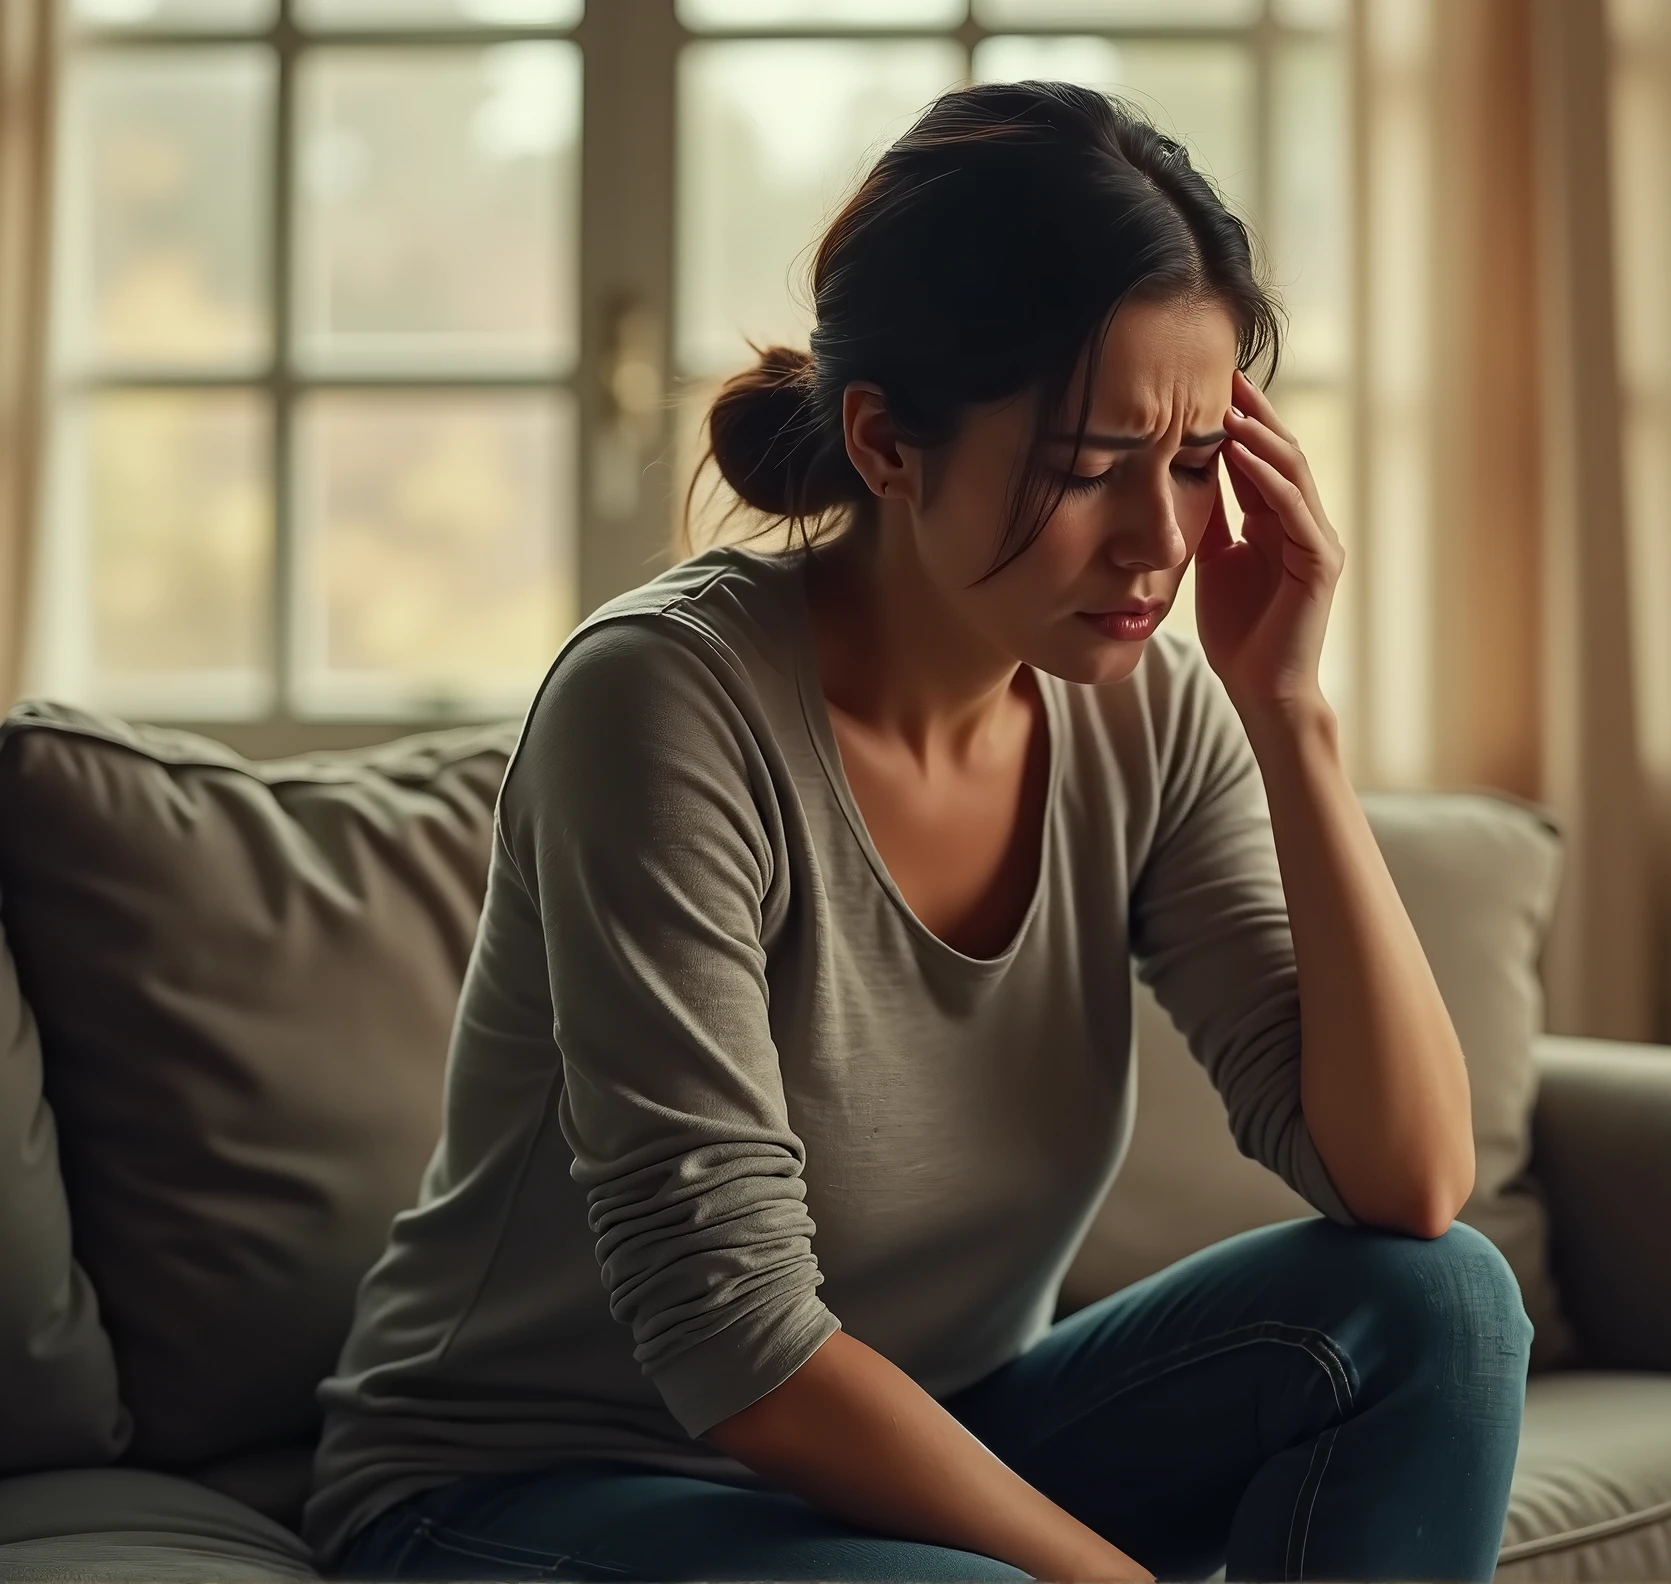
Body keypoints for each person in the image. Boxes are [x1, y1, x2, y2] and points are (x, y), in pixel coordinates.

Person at [306, 80, 1532, 1584]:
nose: (1159, 541)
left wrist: (1291, 715)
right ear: (889, 444)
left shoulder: (1149, 707)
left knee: (1439, 1305)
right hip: (527, 1488)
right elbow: (732, 1335)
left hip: (922, 1450)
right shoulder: (664, 707)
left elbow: (1402, 1183)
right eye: (1090, 467)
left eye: (1199, 460)